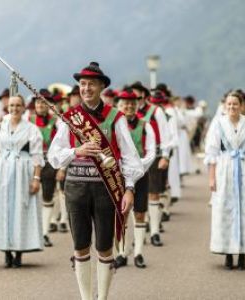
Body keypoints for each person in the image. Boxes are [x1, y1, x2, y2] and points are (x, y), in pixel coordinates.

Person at [48, 62, 143, 300]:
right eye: (82, 84)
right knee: (80, 246)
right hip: (76, 187)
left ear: (101, 86)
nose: (86, 88)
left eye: (91, 84)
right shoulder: (69, 118)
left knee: (104, 246)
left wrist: (129, 188)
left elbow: (131, 158)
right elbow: (53, 156)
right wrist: (76, 151)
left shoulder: (116, 117)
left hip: (106, 190)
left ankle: (102, 298)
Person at [204, 91, 245, 270]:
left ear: (241, 106)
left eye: (235, 104)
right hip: (225, 169)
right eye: (229, 104)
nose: (232, 107)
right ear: (225, 106)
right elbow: (211, 153)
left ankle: (242, 254)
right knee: (226, 209)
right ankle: (227, 253)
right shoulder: (218, 124)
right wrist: (211, 178)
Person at [0, 94, 45, 268]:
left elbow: (37, 156)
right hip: (2, 171)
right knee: (3, 209)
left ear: (24, 107)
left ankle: (18, 252)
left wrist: (36, 178)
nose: (14, 109)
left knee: (20, 209)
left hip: (23, 171)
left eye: (18, 105)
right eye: (11, 105)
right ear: (7, 107)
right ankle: (6, 252)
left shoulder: (31, 129)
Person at [114, 89, 155, 269]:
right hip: (119, 175)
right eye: (125, 104)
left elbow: (151, 152)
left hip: (140, 174)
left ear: (137, 105)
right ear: (119, 106)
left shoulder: (146, 126)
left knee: (139, 213)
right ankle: (122, 253)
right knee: (121, 214)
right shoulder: (115, 125)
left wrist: (137, 168)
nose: (129, 107)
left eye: (132, 104)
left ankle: (138, 252)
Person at [132, 81, 170, 246]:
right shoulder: (127, 113)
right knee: (134, 196)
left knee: (153, 193)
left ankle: (154, 231)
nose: (134, 100)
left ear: (144, 96)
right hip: (132, 159)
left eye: (137, 96)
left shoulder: (156, 111)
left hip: (153, 156)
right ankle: (140, 231)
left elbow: (165, 134)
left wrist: (165, 156)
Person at [29, 89, 62, 247]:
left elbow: (63, 144)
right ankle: (29, 233)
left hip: (49, 164)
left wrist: (62, 167)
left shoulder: (57, 121)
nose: (40, 105)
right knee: (29, 198)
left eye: (43, 102)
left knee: (47, 198)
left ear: (48, 104)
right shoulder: (28, 120)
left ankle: (44, 233)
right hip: (30, 164)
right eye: (38, 102)